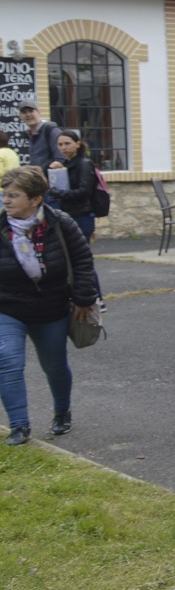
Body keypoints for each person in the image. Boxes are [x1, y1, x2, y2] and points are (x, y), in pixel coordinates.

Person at [0, 165, 97, 445]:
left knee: (54, 365)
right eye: (4, 195)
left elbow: (82, 261)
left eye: (13, 196)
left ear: (35, 199)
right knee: (7, 362)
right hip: (8, 307)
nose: (6, 201)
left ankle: (61, 412)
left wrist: (83, 298)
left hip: (51, 307)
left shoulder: (60, 222)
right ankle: (19, 426)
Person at [46, 129, 104, 310]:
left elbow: (83, 191)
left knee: (82, 259)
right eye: (60, 144)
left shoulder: (84, 164)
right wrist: (54, 170)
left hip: (82, 216)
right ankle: (79, 296)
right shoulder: (65, 163)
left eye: (67, 144)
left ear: (77, 144)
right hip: (69, 215)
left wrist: (57, 193)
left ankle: (97, 298)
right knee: (69, 258)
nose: (63, 148)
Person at [16, 97, 63, 171]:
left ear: (39, 113)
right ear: (20, 116)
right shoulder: (29, 135)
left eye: (31, 111)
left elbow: (61, 158)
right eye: (24, 112)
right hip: (39, 180)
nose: (28, 115)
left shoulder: (51, 130)